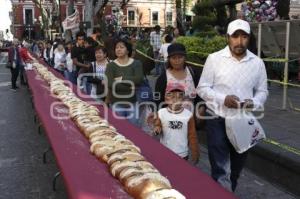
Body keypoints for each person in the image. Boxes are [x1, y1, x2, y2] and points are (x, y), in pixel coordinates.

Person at [197, 19, 268, 192]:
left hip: (243, 121)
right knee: (221, 169)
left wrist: (254, 102)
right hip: (217, 119)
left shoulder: (257, 63)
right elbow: (202, 88)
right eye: (235, 36)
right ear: (228, 38)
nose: (239, 41)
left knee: (236, 168)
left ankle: (228, 192)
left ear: (249, 38)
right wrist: (223, 99)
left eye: (244, 36)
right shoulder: (214, 59)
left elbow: (262, 91)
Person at [153, 82, 199, 163]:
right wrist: (157, 128)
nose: (175, 100)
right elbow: (157, 124)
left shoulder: (188, 115)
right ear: (166, 99)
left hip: (182, 153)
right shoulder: (161, 112)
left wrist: (195, 153)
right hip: (165, 150)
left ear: (183, 99)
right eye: (171, 96)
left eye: (179, 97)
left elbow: (192, 135)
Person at [155, 43, 203, 114]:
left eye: (180, 57)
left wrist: (201, 107)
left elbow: (201, 92)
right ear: (169, 59)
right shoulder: (163, 78)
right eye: (173, 58)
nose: (177, 61)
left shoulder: (193, 73)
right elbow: (157, 100)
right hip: (171, 120)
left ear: (185, 57)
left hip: (191, 119)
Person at [105, 39, 144, 126]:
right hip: (116, 104)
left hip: (133, 103)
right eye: (116, 48)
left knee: (134, 130)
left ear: (128, 50)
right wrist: (130, 86)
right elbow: (110, 84)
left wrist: (121, 79)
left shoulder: (136, 63)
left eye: (121, 47)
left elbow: (139, 79)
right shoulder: (111, 65)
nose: (118, 49)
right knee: (119, 130)